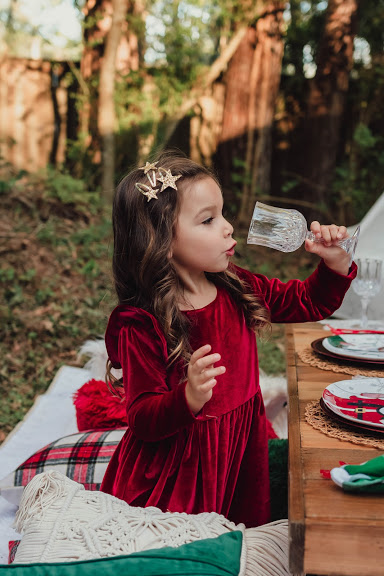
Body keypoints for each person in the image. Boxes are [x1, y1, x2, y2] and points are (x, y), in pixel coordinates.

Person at [101, 151, 356, 527]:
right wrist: (186, 398)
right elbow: (142, 419)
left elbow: (307, 301)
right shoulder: (141, 322)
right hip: (178, 471)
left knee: (241, 536)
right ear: (161, 241)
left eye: (222, 213)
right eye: (208, 219)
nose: (227, 228)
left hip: (239, 452)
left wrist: (335, 263)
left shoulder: (237, 286)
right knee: (180, 546)